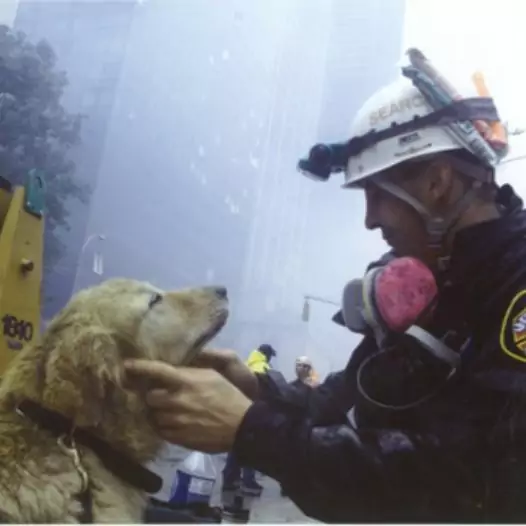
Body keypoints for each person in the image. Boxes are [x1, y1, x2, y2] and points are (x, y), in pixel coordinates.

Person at [124, 51, 526, 522]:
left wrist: (252, 430)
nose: (370, 218)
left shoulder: (510, 284)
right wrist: (257, 391)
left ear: (437, 182)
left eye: (377, 194)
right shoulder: (430, 284)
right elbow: (347, 402)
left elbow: (474, 481)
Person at [221, 343, 276, 494]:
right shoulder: (263, 368)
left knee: (236, 447)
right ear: (267, 355)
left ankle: (229, 479)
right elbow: (267, 394)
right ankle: (248, 481)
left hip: (237, 410)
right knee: (251, 448)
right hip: (253, 413)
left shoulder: (245, 365)